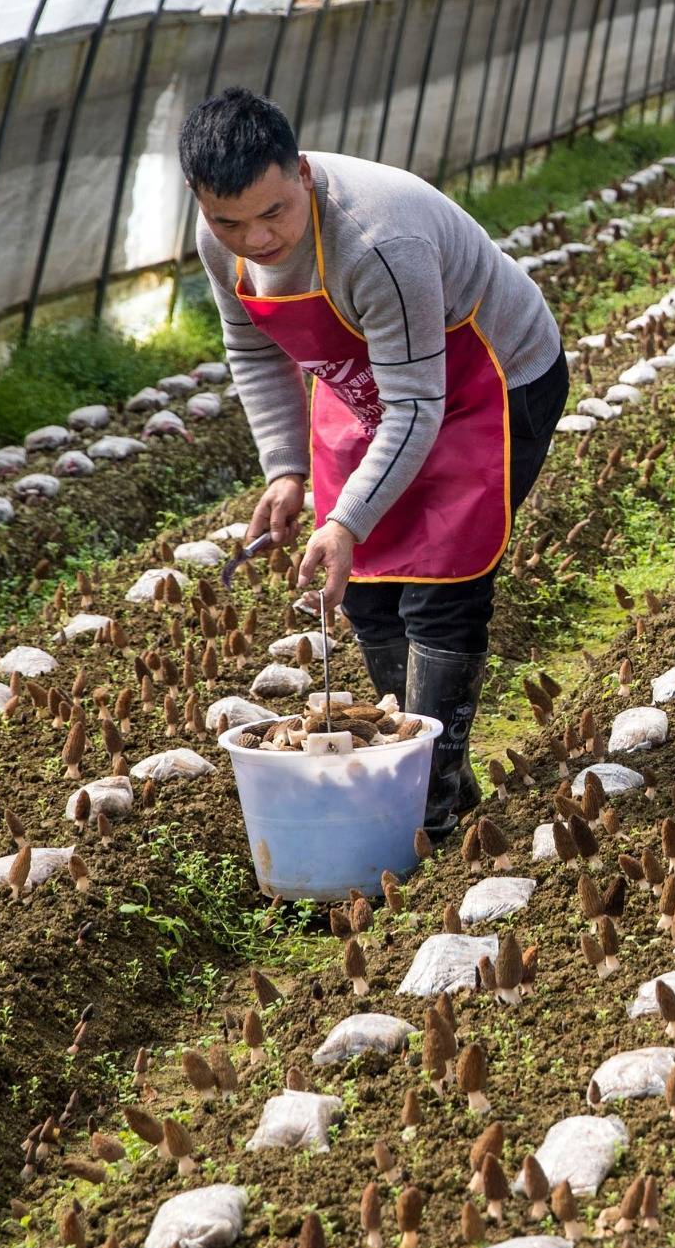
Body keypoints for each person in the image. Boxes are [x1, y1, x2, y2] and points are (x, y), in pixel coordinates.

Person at [185, 88, 569, 835]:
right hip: (371, 381)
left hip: (484, 378)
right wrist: (285, 469)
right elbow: (253, 346)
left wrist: (347, 519)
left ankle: (432, 807)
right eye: (229, 220)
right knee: (365, 591)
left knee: (440, 588)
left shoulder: (378, 242)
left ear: (299, 172)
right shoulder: (220, 241)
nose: (257, 238)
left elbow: (420, 405)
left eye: (274, 213)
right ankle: (427, 773)